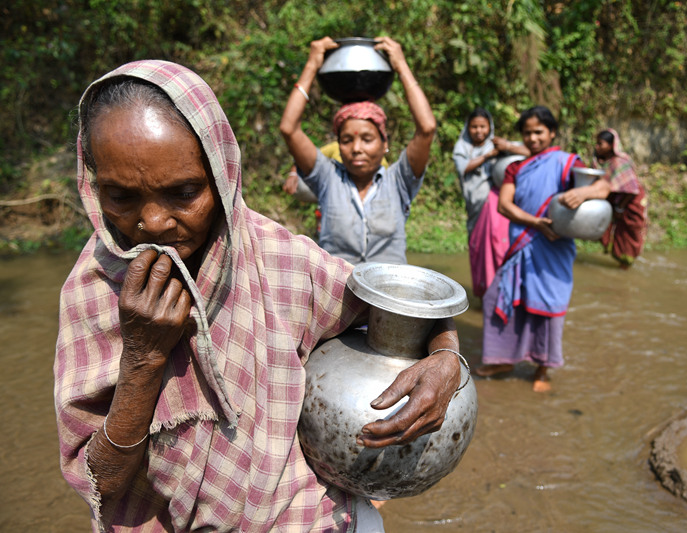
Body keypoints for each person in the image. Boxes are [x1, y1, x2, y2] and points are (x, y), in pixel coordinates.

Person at [54, 59, 465, 532]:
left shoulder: (278, 259)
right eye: (121, 197)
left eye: (183, 192)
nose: (153, 222)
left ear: (221, 174)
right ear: (93, 186)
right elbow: (101, 485)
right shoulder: (93, 293)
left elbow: (408, 309)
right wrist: (143, 360)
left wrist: (447, 356)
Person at [476, 106, 610, 391]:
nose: (533, 138)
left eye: (539, 132)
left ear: (552, 133)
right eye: (527, 133)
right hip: (523, 242)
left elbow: (603, 187)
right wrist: (535, 222)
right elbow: (504, 205)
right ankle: (503, 359)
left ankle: (542, 369)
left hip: (554, 247)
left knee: (547, 305)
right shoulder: (516, 167)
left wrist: (583, 192)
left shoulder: (567, 163)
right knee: (497, 298)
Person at [280, 36, 436, 265]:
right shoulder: (328, 178)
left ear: (384, 144)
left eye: (367, 139)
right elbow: (289, 128)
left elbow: (427, 128)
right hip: (337, 287)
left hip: (388, 288)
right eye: (346, 140)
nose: (356, 149)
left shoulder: (398, 182)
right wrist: (312, 65)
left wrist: (401, 66)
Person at [452, 107, 529, 298]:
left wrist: (507, 147)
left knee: (497, 247)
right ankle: (484, 291)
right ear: (468, 128)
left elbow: (530, 151)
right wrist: (488, 155)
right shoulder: (462, 147)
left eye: (483, 127)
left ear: (490, 127)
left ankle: (501, 291)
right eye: (474, 127)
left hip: (493, 204)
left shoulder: (497, 144)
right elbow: (463, 167)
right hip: (475, 204)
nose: (479, 131)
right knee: (478, 248)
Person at [594, 128, 647, 268]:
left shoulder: (619, 162)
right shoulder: (607, 162)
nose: (597, 147)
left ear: (611, 145)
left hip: (630, 203)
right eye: (597, 144)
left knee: (628, 234)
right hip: (618, 202)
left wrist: (620, 207)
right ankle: (620, 263)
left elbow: (631, 190)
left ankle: (625, 264)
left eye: (600, 144)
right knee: (615, 231)